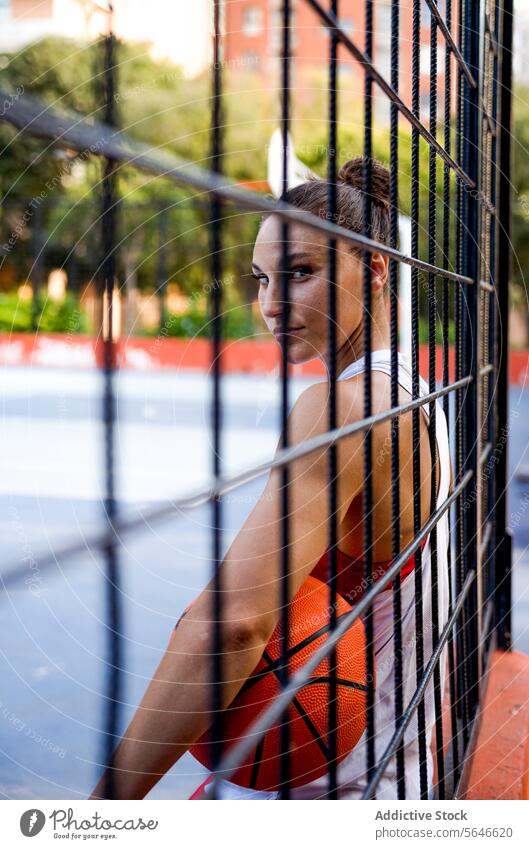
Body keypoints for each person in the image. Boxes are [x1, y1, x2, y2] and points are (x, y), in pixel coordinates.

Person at [90, 157, 450, 801]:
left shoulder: (343, 409)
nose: (271, 304)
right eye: (261, 280)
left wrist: (103, 813)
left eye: (300, 274)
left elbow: (234, 626)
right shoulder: (417, 392)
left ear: (373, 267)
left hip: (321, 790)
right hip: (397, 772)